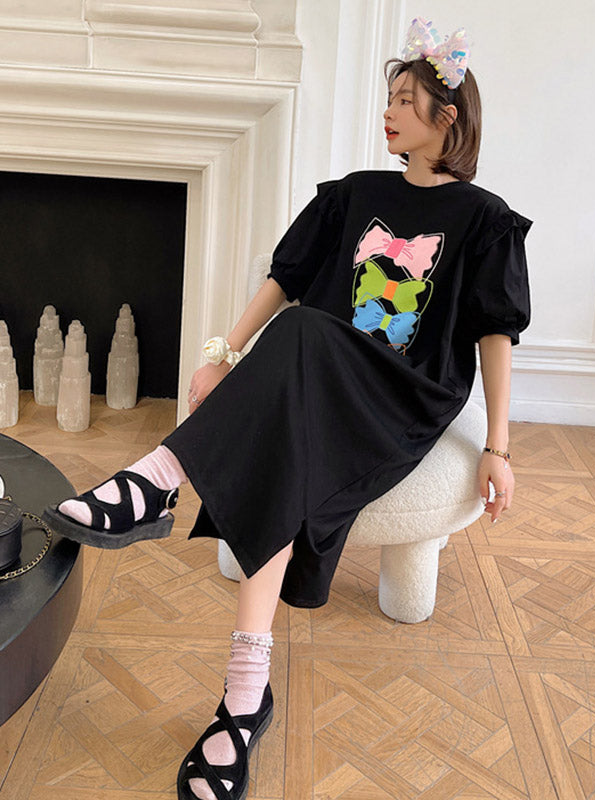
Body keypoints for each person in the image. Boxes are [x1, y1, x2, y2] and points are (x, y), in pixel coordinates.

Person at [42, 16, 532, 800]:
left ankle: (157, 478)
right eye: (388, 99)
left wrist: (498, 449)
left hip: (403, 394)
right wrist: (221, 355)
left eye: (405, 102)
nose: (388, 112)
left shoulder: (486, 219)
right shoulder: (352, 195)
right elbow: (287, 276)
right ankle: (244, 698)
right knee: (286, 426)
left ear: (448, 118)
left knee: (304, 330)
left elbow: (494, 333)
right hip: (318, 378)